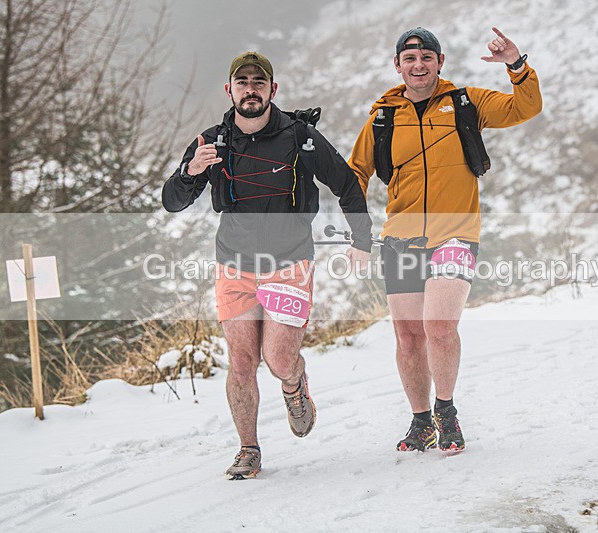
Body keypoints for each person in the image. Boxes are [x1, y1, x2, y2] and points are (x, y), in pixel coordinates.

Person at [163, 52, 372, 478]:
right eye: (242, 82)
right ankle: (248, 448)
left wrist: (361, 240)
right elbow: (172, 201)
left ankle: (294, 386)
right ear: (230, 90)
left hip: (291, 263)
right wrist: (189, 172)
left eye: (259, 82)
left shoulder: (302, 137)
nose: (251, 88)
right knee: (241, 362)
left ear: (272, 90)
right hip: (234, 266)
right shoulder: (212, 142)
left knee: (277, 359)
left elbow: (347, 184)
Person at [348, 27, 542, 452]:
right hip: (399, 238)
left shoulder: (466, 103)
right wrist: (359, 233)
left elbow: (527, 107)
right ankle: (420, 422)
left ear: (441, 62)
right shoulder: (382, 117)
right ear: (398, 66)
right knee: (408, 337)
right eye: (410, 58)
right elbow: (354, 174)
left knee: (438, 326)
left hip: (455, 232)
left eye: (427, 57)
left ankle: (445, 412)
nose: (419, 65)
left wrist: (516, 64)